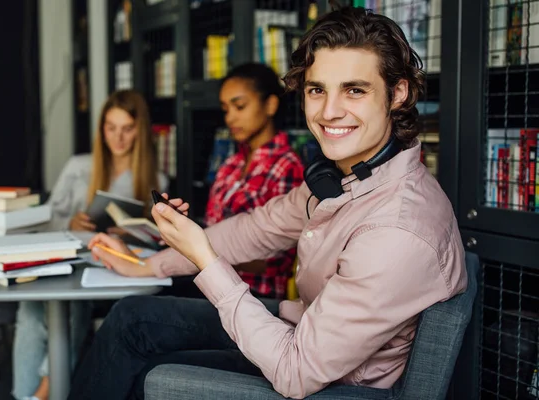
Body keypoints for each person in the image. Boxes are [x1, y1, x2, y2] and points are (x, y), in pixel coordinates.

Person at [68, 5, 467, 400]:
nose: (329, 111)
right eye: (317, 90)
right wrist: (147, 265)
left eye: (355, 90)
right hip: (295, 333)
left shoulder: (396, 230)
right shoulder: (347, 176)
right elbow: (258, 229)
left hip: (322, 383)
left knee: (143, 373)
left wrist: (205, 259)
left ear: (397, 93)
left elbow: (296, 373)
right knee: (131, 317)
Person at [11, 89, 168, 400]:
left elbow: (156, 238)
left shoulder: (155, 179)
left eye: (127, 128)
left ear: (140, 130)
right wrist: (69, 224)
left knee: (73, 308)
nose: (118, 138)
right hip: (69, 258)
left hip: (113, 266)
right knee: (30, 309)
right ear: (101, 129)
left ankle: (41, 394)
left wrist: (125, 234)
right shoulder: (79, 166)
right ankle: (30, 395)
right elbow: (45, 222)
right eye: (111, 128)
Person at [162, 62, 304, 299]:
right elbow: (213, 227)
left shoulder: (286, 166)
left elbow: (275, 260)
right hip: (211, 285)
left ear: (270, 105)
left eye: (240, 106)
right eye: (226, 109)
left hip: (255, 296)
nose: (230, 118)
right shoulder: (229, 164)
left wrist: (199, 250)